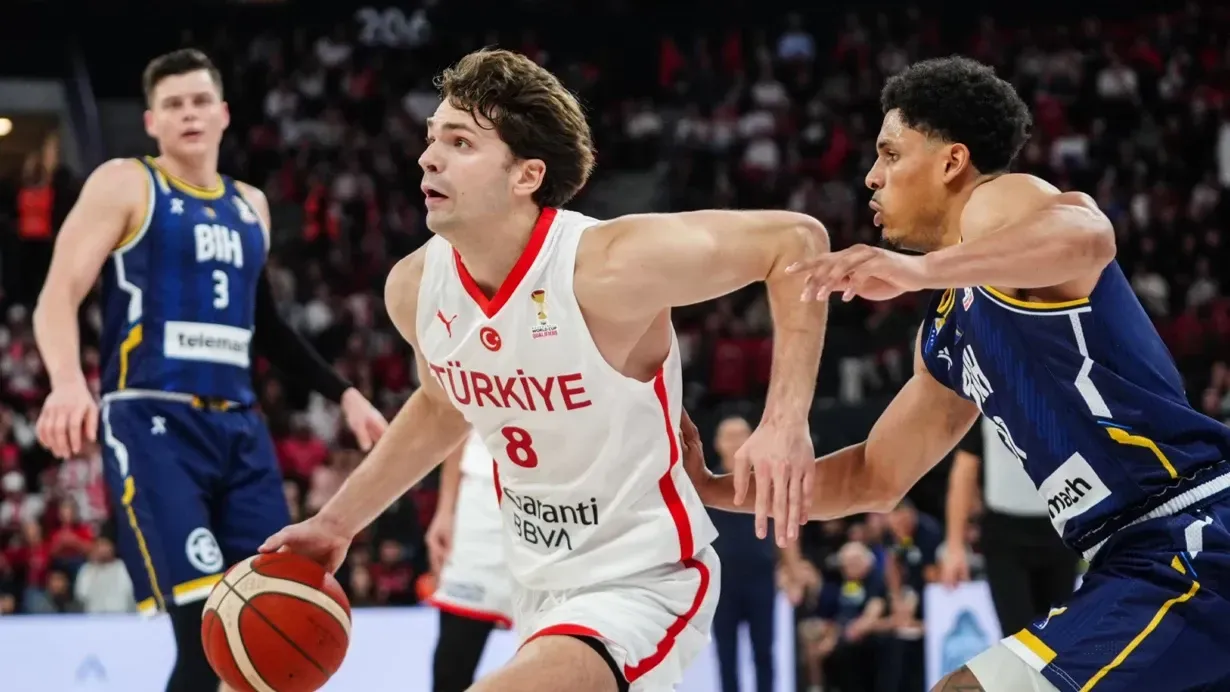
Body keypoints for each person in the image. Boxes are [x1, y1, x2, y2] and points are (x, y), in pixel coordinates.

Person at [261, 48, 830, 692]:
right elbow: (443, 405)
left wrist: (784, 421)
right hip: (537, 588)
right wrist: (337, 522)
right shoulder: (414, 287)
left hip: (643, 581)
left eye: (460, 142)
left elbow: (796, 243)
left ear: (527, 175)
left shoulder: (606, 266)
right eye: (431, 138)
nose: (428, 157)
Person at [682, 55, 1230, 692]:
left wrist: (918, 271)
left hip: (1191, 528)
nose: (871, 176)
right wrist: (710, 488)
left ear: (952, 162)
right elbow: (872, 478)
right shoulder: (945, 331)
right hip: (1127, 553)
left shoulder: (996, 204)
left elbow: (1088, 236)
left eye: (890, 154)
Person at [31, 49, 388, 692]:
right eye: (173, 104)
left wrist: (345, 394)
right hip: (152, 421)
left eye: (199, 101)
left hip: (242, 433)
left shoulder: (251, 205)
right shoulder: (126, 183)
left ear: (223, 114)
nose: (188, 114)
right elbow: (58, 293)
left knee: (268, 631)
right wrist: (66, 381)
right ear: (151, 121)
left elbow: (267, 326)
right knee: (210, 635)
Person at [940, 417, 1079, 635]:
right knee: (1017, 637)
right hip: (1004, 535)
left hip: (1061, 530)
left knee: (1058, 637)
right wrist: (955, 546)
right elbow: (965, 468)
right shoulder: (984, 401)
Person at [425, 430, 515, 691]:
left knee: (568, 659)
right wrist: (445, 510)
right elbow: (456, 421)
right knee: (451, 668)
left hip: (565, 503)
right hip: (481, 495)